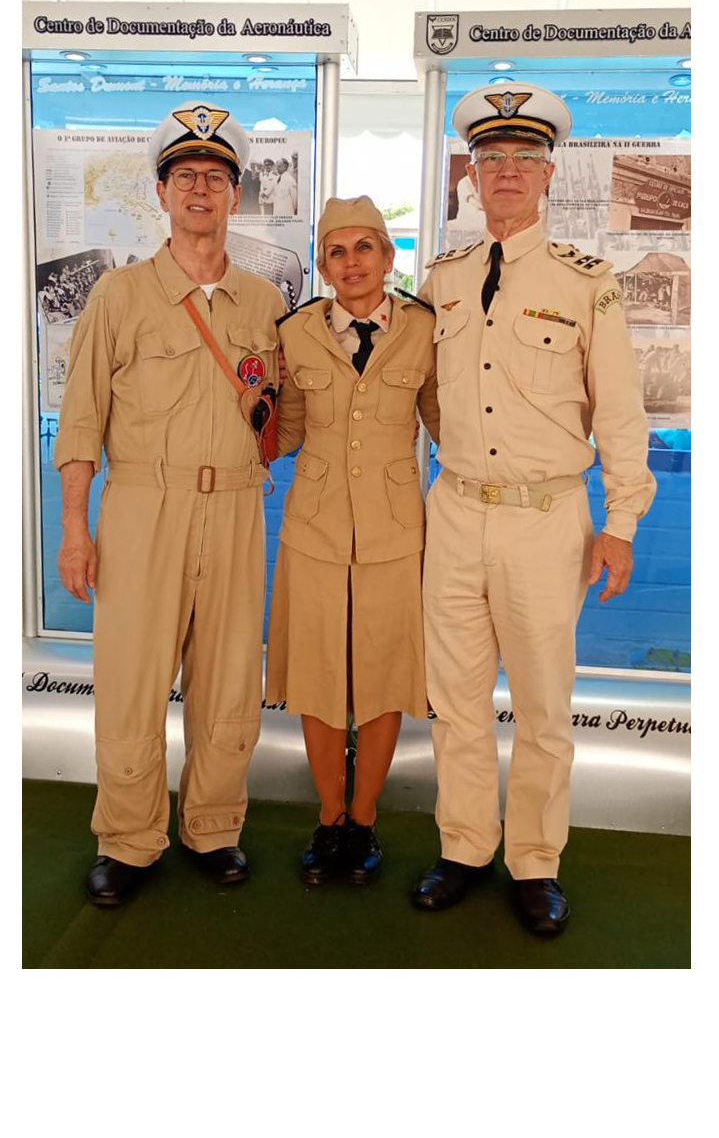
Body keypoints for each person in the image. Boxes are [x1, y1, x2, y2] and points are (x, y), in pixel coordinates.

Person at [413, 84, 656, 933]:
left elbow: (619, 412)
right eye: (491, 159)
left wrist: (620, 524)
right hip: (455, 512)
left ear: (548, 174)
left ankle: (534, 861)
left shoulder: (586, 283)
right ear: (470, 176)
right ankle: (463, 847)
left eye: (523, 158)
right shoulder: (442, 279)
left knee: (544, 707)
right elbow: (428, 399)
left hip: (545, 519)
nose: (507, 172)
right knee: (455, 700)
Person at [55, 101, 285, 906]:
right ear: (160, 193)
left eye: (215, 178)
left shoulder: (264, 303)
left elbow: (279, 419)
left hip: (237, 509)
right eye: (184, 176)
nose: (199, 190)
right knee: (131, 679)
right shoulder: (118, 296)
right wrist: (75, 528)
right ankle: (128, 838)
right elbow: (81, 420)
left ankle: (213, 827)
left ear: (235, 194)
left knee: (228, 678)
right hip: (143, 507)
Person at [266, 196, 440, 885]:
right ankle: (330, 816)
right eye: (335, 252)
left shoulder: (424, 329)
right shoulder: (295, 332)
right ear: (322, 265)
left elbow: (447, 423)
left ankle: (364, 818)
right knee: (317, 676)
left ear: (389, 256)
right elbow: (286, 428)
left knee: (383, 675)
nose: (351, 262)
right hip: (314, 529)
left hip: (395, 531)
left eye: (364, 247)